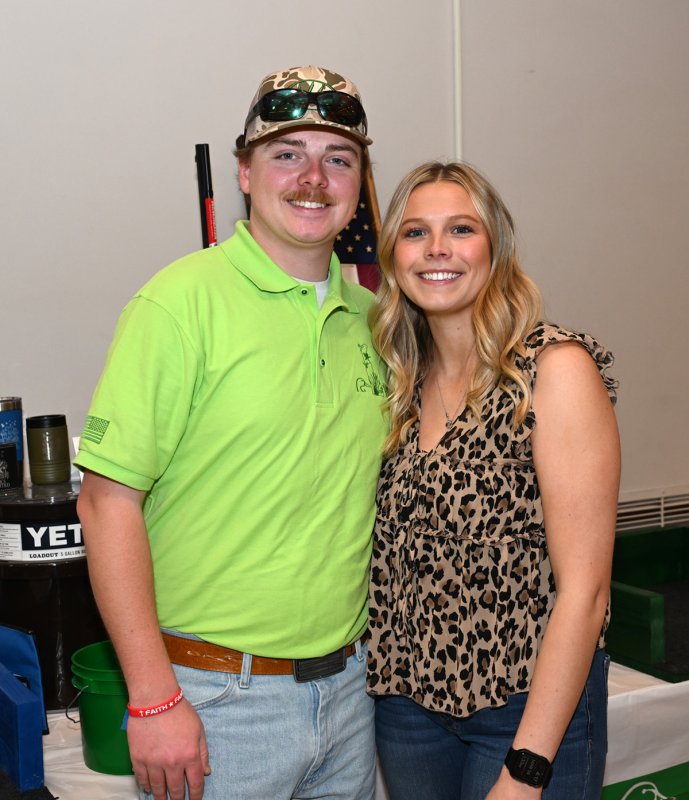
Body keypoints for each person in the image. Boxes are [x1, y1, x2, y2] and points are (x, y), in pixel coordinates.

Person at [74, 65, 387, 800]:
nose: (313, 177)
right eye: (286, 154)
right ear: (244, 172)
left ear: (359, 182)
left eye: (337, 158)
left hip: (349, 693)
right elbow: (105, 503)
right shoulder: (179, 302)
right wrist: (153, 698)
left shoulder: (375, 320)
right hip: (214, 703)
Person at [367, 161, 620, 800]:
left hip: (525, 707)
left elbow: (586, 592)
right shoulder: (396, 384)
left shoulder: (552, 371)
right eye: (415, 233)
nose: (438, 251)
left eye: (461, 229)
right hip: (406, 708)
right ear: (393, 254)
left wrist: (528, 767)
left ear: (496, 248)